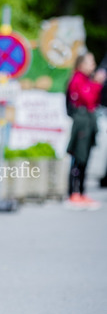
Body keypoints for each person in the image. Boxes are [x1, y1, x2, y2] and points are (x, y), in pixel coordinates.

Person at [66, 52, 106, 208]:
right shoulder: (77, 79)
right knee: (79, 157)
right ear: (81, 65)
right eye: (90, 62)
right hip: (82, 122)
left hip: (89, 121)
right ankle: (74, 193)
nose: (93, 66)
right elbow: (88, 99)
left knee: (85, 157)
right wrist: (97, 83)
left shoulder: (86, 79)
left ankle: (81, 193)